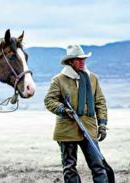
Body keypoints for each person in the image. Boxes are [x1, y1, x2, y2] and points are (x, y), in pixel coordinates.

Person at [44, 45, 108, 183]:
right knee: (69, 167)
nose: (82, 62)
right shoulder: (58, 80)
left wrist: (102, 124)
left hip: (89, 127)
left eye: (83, 59)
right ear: (70, 62)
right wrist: (62, 109)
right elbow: (49, 100)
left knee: (98, 165)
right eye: (78, 60)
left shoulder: (93, 78)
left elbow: (100, 102)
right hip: (67, 129)